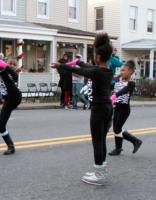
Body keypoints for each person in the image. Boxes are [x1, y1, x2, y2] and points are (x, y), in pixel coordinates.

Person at [51, 33, 114, 186]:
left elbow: (83, 71)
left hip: (99, 111)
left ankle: (99, 175)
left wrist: (61, 65)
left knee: (97, 142)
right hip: (107, 109)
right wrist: (80, 62)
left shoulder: (97, 72)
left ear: (98, 56)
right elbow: (87, 67)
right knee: (102, 141)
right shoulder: (107, 71)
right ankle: (101, 169)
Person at [0, 43, 22, 155]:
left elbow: (9, 72)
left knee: (4, 72)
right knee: (0, 126)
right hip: (8, 100)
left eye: (14, 64)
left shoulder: (15, 74)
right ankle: (10, 146)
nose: (12, 65)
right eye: (10, 63)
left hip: (15, 96)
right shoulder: (2, 72)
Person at [109, 60, 142, 156]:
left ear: (130, 72)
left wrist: (115, 95)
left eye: (123, 70)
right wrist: (114, 79)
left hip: (124, 109)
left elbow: (125, 90)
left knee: (117, 128)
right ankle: (118, 148)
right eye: (121, 70)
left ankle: (136, 141)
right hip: (117, 108)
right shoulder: (118, 82)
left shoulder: (131, 83)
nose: (121, 72)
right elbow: (109, 85)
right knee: (116, 129)